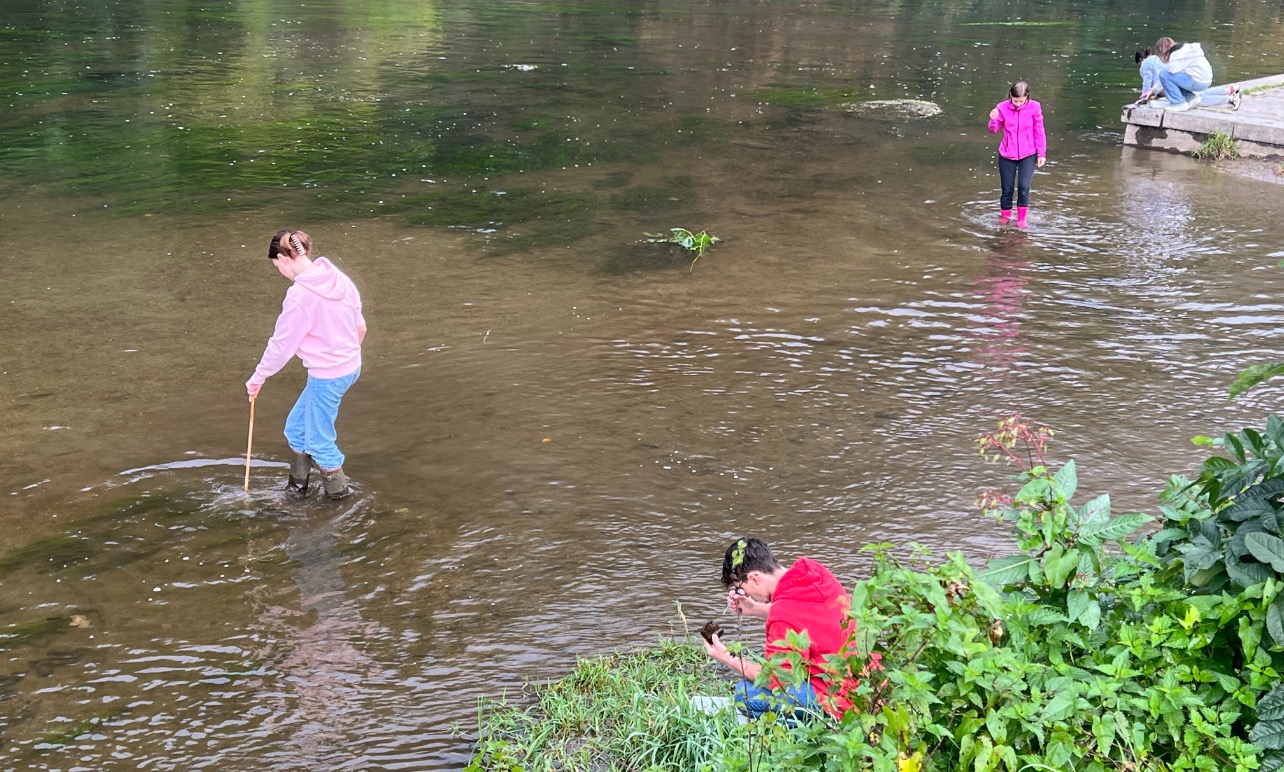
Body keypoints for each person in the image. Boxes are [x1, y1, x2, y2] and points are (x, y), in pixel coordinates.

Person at [246, 230, 366, 500]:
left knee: (320, 443)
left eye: (277, 266)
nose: (280, 272)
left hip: (328, 375)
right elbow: (361, 327)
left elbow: (282, 345)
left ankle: (339, 501)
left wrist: (259, 376)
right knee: (296, 429)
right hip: (348, 366)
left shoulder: (300, 295)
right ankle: (296, 491)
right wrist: (345, 356)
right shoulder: (338, 278)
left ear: (282, 258)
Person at [702, 537, 865, 719]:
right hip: (866, 682)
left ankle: (818, 727)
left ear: (754, 577)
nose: (746, 594)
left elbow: (777, 679)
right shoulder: (811, 569)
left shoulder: (782, 615)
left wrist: (728, 658)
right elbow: (805, 611)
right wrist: (757, 609)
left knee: (745, 694)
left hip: (843, 700)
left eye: (743, 589)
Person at [987, 81, 1047, 229]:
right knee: (1007, 188)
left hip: (1029, 153)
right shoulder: (1002, 107)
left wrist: (1042, 153)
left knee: (1023, 186)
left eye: (1021, 101)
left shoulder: (1035, 107)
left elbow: (1039, 131)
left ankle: (1021, 219)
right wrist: (993, 119)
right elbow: (993, 130)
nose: (1018, 104)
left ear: (1027, 97)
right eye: (1015, 101)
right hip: (1007, 154)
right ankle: (1005, 216)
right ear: (1010, 97)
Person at [1140, 38, 1240, 111]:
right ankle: (1229, 96)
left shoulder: (1175, 55)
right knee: (1200, 97)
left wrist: (1152, 90)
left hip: (1196, 80)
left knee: (1164, 74)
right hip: (1204, 79)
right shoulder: (1184, 50)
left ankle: (1179, 103)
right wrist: (1152, 91)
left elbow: (1167, 74)